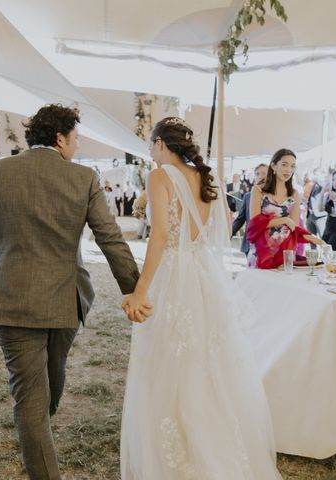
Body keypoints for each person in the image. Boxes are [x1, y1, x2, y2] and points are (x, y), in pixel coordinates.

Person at [0, 104, 141, 479]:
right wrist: (134, 290)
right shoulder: (84, 178)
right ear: (59, 138)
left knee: (37, 392)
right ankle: (39, 443)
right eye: (75, 137)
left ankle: (35, 430)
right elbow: (110, 239)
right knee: (41, 390)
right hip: (64, 300)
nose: (78, 144)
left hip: (11, 298)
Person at [120, 117, 283, 479]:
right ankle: (213, 442)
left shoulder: (160, 177)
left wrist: (141, 288)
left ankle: (180, 454)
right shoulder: (203, 178)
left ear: (161, 143)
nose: (150, 151)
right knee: (207, 364)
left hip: (173, 277)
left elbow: (160, 235)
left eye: (150, 144)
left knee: (168, 362)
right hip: (202, 275)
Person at [247, 149, 323, 269]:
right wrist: (285, 220)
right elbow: (255, 222)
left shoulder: (294, 194)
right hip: (262, 251)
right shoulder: (258, 190)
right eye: (284, 164)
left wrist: (316, 240)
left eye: (292, 166)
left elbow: (295, 227)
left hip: (286, 252)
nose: (288, 170)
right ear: (273, 166)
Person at [232, 163, 268, 255]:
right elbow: (240, 219)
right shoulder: (248, 196)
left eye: (264, 173)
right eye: (257, 174)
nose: (260, 176)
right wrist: (229, 233)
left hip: (269, 243)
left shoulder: (275, 196)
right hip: (250, 244)